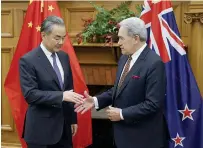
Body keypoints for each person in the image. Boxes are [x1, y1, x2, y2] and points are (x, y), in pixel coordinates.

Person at [75, 17, 169, 148]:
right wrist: (96, 101)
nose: (118, 43)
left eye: (121, 38)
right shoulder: (124, 58)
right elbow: (119, 89)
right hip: (122, 137)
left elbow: (153, 104)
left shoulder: (154, 63)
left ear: (136, 38)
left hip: (143, 139)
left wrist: (121, 114)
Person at [19, 16, 84, 148]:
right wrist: (61, 96)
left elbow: (69, 89)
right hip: (41, 132)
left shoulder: (64, 57)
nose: (61, 42)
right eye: (57, 38)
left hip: (64, 129)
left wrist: (72, 119)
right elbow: (30, 95)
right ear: (43, 35)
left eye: (63, 37)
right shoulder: (28, 60)